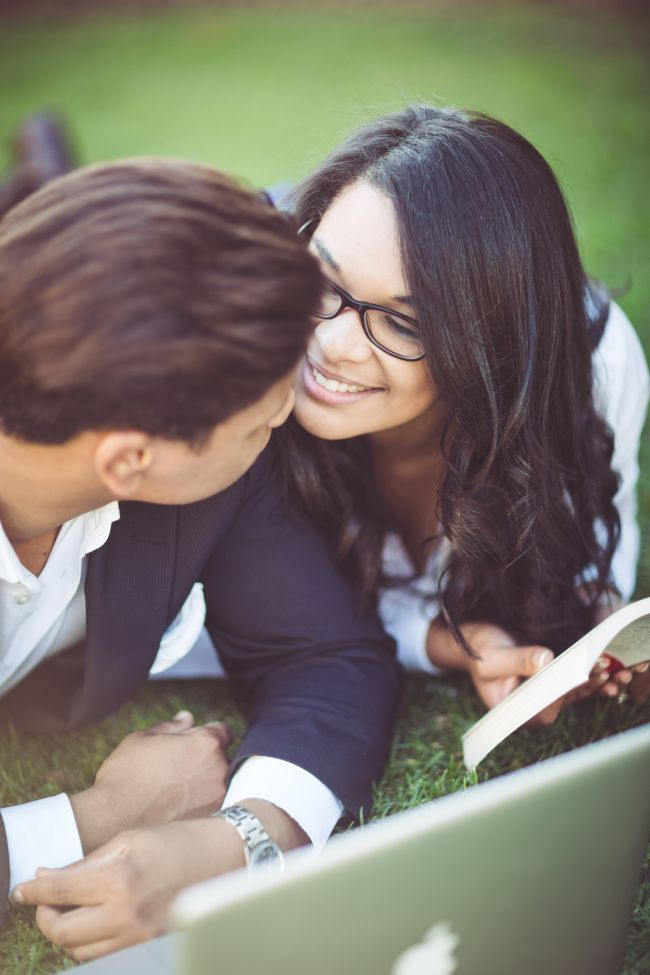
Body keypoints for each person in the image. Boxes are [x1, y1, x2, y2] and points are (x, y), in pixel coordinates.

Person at [1, 158, 400, 959]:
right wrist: (93, 819)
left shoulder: (200, 462)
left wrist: (242, 836)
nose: (288, 411)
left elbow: (325, 652)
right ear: (127, 461)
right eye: (260, 420)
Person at [280, 104, 649, 715]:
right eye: (322, 278)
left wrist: (597, 621)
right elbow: (258, 610)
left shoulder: (594, 367)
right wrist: (449, 644)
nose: (331, 344)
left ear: (491, 347)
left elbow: (591, 543)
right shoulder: (257, 334)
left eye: (401, 322)